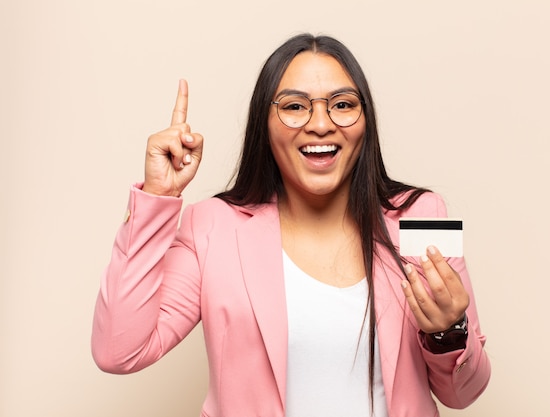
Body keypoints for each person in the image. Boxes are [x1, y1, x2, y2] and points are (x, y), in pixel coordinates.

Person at [92, 33, 490, 417]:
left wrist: (448, 332)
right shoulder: (211, 225)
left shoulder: (423, 215)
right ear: (264, 125)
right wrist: (158, 197)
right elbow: (118, 352)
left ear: (365, 121)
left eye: (343, 104)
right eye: (295, 106)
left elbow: (464, 393)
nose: (320, 124)